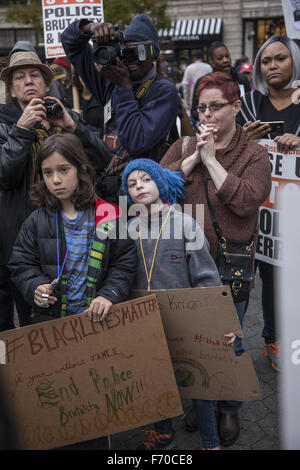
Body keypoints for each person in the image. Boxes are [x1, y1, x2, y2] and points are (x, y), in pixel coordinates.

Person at [160, 71, 272, 446]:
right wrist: (192, 159)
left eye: (215, 107)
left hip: (230, 266)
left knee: (229, 341)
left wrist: (213, 162)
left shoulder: (254, 153)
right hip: (184, 265)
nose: (206, 115)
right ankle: (202, 399)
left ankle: (227, 408)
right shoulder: (183, 144)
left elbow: (246, 201)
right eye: (200, 107)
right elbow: (155, 188)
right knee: (192, 339)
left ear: (236, 107)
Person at [7, 132, 136, 449]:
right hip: (53, 331)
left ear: (81, 168)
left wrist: (109, 295)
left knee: (94, 406)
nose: (55, 180)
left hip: (95, 329)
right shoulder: (36, 221)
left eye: (63, 169)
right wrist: (35, 286)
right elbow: (20, 265)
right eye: (47, 173)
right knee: (58, 407)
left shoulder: (107, 214)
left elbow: (124, 262)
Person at [121, 158, 236, 450]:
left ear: (160, 183)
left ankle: (211, 442)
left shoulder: (186, 223)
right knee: (156, 377)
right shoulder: (128, 229)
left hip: (187, 322)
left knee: (199, 381)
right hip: (146, 321)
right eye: (132, 184)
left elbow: (207, 277)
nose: (139, 187)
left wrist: (219, 322)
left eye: (145, 179)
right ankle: (163, 432)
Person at [0, 48, 112, 331]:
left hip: (67, 238)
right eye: (20, 78)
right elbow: (4, 174)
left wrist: (73, 126)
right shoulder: (4, 125)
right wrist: (22, 130)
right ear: (11, 90)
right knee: (20, 328)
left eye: (35, 75)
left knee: (62, 322)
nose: (28, 82)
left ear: (46, 85)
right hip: (16, 242)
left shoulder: (63, 118)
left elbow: (102, 161)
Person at [61, 14, 179, 201]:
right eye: (125, 52)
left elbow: (136, 142)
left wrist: (124, 88)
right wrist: (91, 27)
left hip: (142, 194)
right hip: (108, 190)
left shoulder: (163, 90)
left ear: (152, 53)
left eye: (137, 51)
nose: (130, 59)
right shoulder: (110, 81)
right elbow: (70, 42)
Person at [236, 36, 300, 372]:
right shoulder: (248, 103)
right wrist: (241, 140)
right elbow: (224, 153)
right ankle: (247, 345)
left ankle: (284, 340)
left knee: (285, 278)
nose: (272, 66)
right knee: (249, 278)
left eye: (280, 59)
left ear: (295, 63)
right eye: (265, 61)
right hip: (251, 209)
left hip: (290, 212)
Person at [190, 42, 251, 126]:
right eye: (220, 58)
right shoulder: (203, 82)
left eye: (227, 56)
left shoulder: (242, 79)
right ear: (212, 62)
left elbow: (250, 106)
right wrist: (211, 116)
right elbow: (194, 111)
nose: (225, 60)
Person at [182, 50, 212, 117]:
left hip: (194, 100)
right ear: (202, 57)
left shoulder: (189, 68)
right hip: (208, 98)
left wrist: (186, 102)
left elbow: (185, 87)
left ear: (193, 58)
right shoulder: (208, 67)